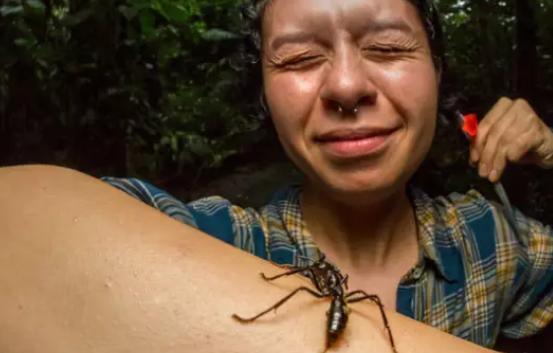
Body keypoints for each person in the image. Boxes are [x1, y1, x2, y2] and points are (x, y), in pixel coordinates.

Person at [0, 0, 551, 352]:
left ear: (438, 75)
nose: (345, 86)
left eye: (385, 47)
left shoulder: (490, 242)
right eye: (297, 59)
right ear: (263, 96)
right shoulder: (228, 243)